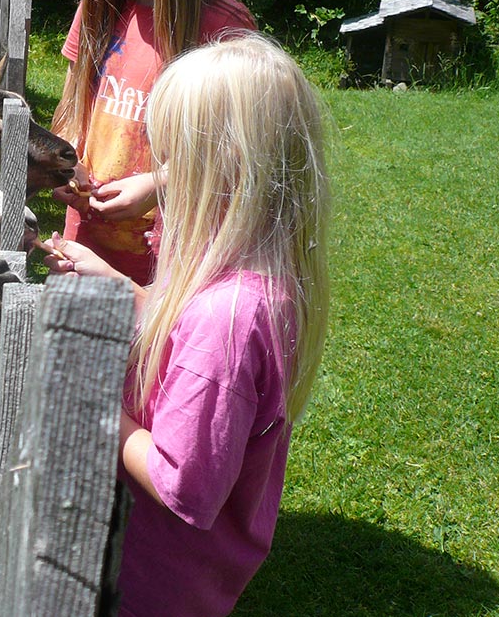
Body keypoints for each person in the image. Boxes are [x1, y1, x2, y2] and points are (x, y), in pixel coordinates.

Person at [43, 33, 331, 617]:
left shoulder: (225, 322)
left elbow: (184, 486)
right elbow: (182, 328)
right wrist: (117, 283)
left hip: (149, 583)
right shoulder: (258, 280)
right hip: (190, 574)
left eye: (175, 162)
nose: (159, 180)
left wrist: (93, 406)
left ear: (228, 173)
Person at [51, 0, 256, 286]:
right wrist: (64, 163)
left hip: (174, 259)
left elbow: (240, 146)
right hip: (85, 246)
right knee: (78, 336)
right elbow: (72, 105)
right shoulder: (100, 4)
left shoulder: (221, 24)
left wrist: (159, 183)